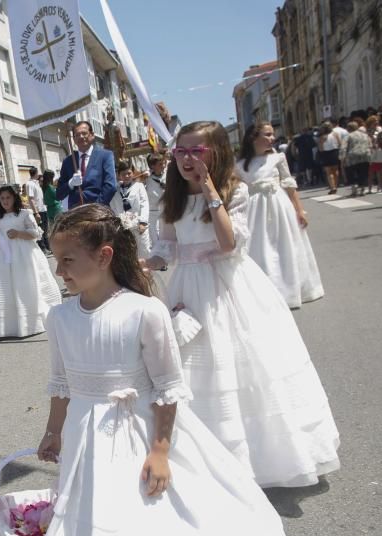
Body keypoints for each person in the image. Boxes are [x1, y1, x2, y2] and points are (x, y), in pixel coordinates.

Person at [21, 204, 305, 536]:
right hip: (85, 434)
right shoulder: (59, 318)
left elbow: (169, 388)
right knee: (94, 518)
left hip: (137, 430)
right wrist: (53, 430)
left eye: (68, 260)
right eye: (56, 260)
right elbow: (61, 383)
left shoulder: (145, 311)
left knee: (143, 517)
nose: (59, 271)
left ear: (105, 255)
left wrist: (160, 450)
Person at [144, 121, 340, 488]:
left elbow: (229, 243)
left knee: (245, 368)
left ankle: (254, 462)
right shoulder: (171, 197)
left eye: (196, 151)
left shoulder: (235, 192)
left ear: (215, 152)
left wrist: (209, 190)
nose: (187, 159)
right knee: (190, 369)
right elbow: (165, 248)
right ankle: (197, 459)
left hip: (230, 287)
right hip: (188, 287)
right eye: (181, 151)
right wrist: (143, 263)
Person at [236, 123, 325, 308]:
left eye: (272, 135)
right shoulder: (239, 164)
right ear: (254, 137)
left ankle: (291, 289)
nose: (272, 138)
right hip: (253, 209)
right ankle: (263, 292)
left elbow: (289, 185)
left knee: (285, 245)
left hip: (278, 205)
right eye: (267, 135)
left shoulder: (278, 157)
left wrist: (299, 210)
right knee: (259, 248)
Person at [0, 185, 62, 338]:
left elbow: (36, 233)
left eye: (8, 197)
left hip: (25, 256)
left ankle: (34, 320)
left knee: (28, 284)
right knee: (7, 288)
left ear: (15, 198)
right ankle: (12, 324)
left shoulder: (24, 214)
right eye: (2, 198)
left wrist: (19, 233)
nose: (5, 201)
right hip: (4, 258)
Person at [56, 121, 117, 208]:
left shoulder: (105, 155)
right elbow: (59, 194)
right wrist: (70, 184)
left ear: (92, 135)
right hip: (76, 213)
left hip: (98, 212)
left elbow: (111, 186)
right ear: (73, 139)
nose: (81, 137)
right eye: (77, 135)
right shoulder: (68, 161)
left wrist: (96, 207)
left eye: (84, 133)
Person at [344, 120, 373, 197]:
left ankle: (354, 191)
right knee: (363, 173)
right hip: (365, 155)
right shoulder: (365, 135)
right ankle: (362, 190)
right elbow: (370, 144)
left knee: (352, 174)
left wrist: (342, 157)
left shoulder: (348, 136)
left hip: (352, 156)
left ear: (348, 128)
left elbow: (343, 147)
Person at [24, 166, 50, 251]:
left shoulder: (37, 183)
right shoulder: (29, 184)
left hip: (43, 208)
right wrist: (36, 212)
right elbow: (31, 198)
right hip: (37, 210)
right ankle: (42, 248)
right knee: (39, 229)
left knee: (45, 229)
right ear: (36, 173)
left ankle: (47, 246)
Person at [367, 114, 382, 193]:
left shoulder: (380, 129)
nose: (376, 123)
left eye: (377, 121)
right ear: (371, 122)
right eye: (374, 121)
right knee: (371, 170)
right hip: (371, 151)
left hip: (379, 150)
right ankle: (370, 187)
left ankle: (381, 186)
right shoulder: (368, 131)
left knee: (380, 169)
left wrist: (381, 139)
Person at [317, 122, 342, 194]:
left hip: (326, 154)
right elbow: (340, 143)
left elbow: (320, 148)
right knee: (336, 170)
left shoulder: (322, 137)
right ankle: (336, 185)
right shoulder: (335, 134)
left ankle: (332, 187)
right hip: (335, 152)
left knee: (329, 172)